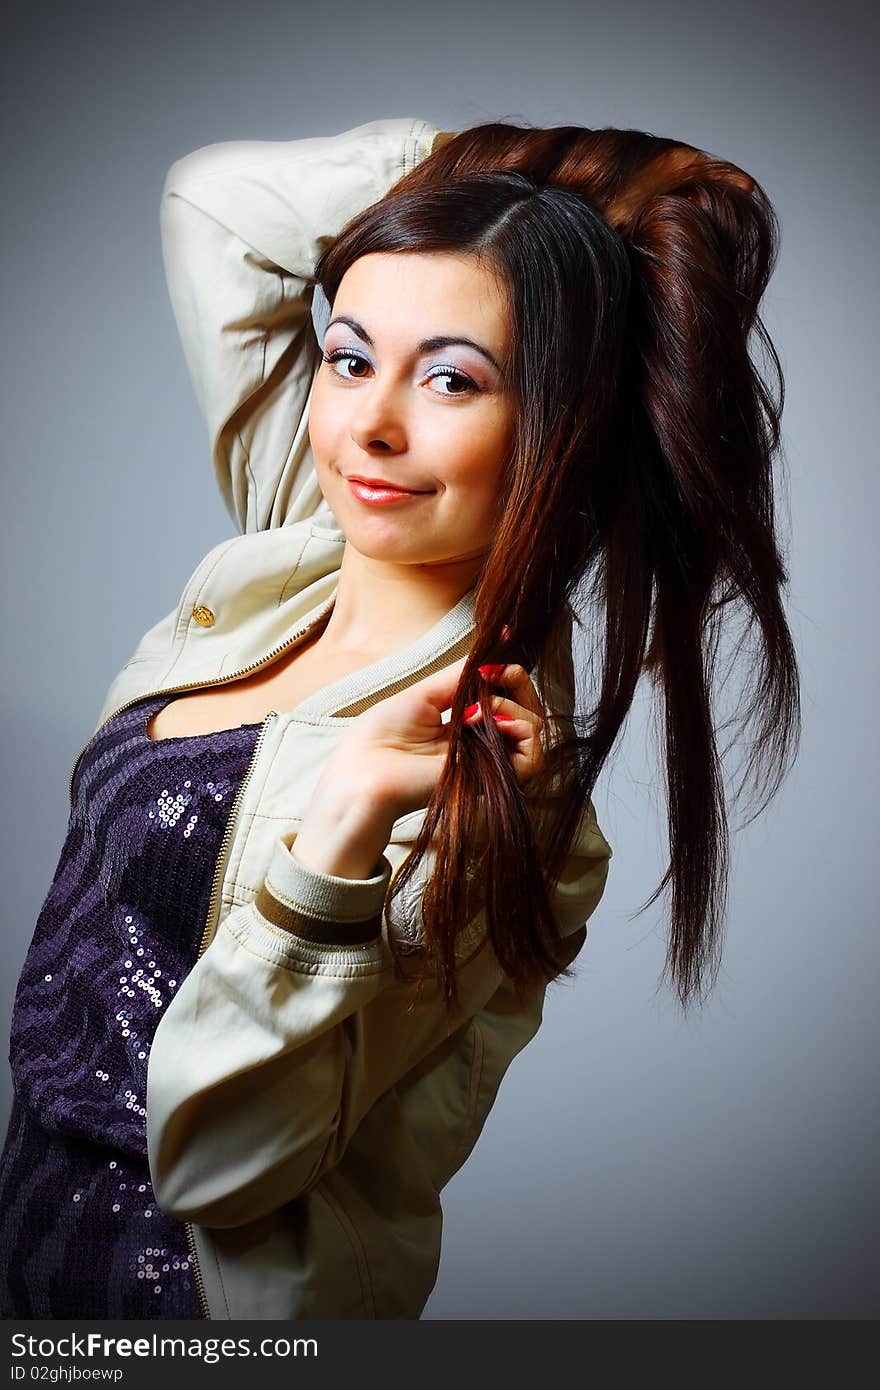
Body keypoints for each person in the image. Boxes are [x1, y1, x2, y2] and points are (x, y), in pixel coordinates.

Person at [0, 114, 799, 1321]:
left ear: (560, 427)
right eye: (348, 355)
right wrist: (511, 190)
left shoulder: (482, 769)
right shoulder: (305, 543)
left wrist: (342, 841)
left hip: (188, 1309)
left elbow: (222, 1166)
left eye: (452, 379)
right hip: (31, 1246)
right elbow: (220, 204)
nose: (370, 424)